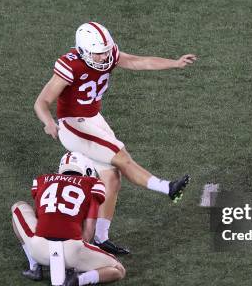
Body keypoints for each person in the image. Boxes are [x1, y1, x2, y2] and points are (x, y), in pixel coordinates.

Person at [34, 21, 197, 255]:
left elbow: (140, 61)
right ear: (82, 50)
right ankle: (168, 188)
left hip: (92, 118)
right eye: (98, 53)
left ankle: (100, 238)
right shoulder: (70, 66)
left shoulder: (108, 54)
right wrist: (48, 121)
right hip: (72, 123)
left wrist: (175, 63)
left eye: (105, 51)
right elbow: (41, 101)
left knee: (112, 178)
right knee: (121, 157)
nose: (103, 57)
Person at [11, 151, 125, 286]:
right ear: (87, 170)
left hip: (38, 249)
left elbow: (41, 216)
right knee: (118, 269)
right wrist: (78, 256)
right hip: (72, 252)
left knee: (18, 207)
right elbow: (89, 231)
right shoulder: (93, 185)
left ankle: (35, 267)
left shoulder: (42, 180)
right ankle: (78, 280)